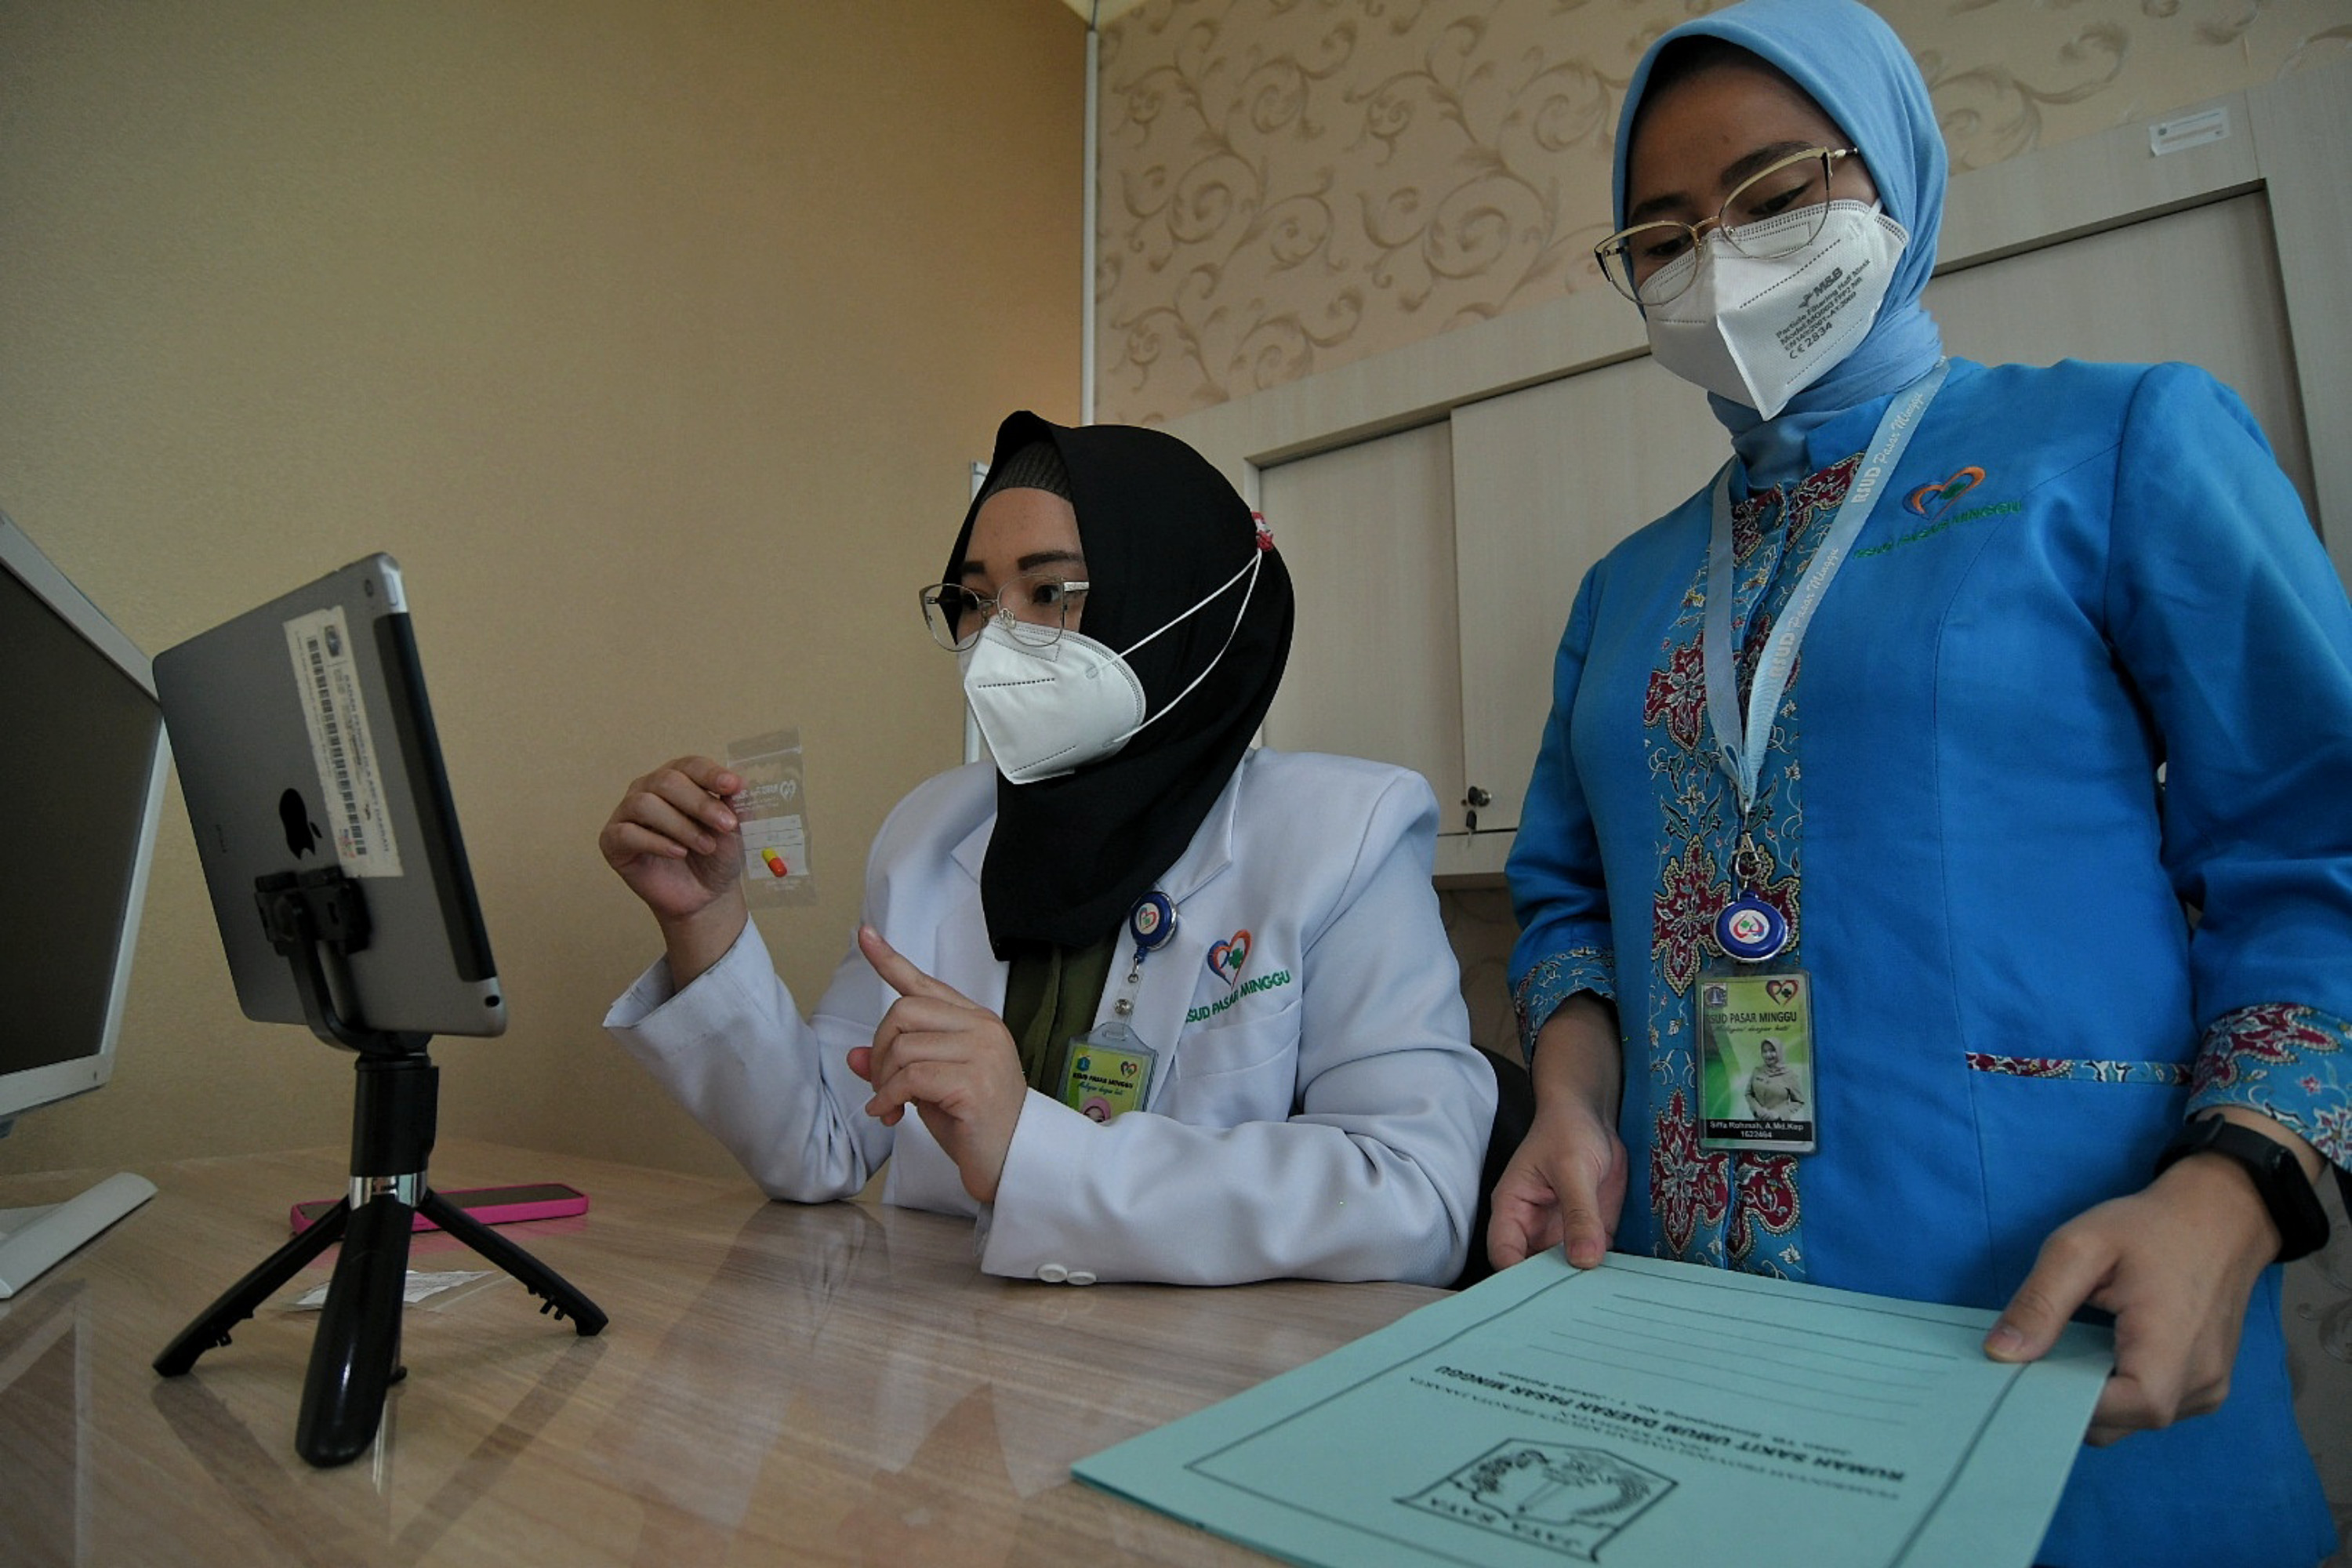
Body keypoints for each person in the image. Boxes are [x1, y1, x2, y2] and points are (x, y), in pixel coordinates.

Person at [1486, 0, 2350, 1562]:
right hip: (1695, 1354)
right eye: (1664, 236)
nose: (1721, 261)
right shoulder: (1625, 590)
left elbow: (2323, 839)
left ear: (1894, 178)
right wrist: (1569, 1100)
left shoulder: (2117, 445)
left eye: (1775, 195)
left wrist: (2238, 1188)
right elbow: (1564, 902)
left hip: (2061, 1332)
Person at [600, 411, 1495, 1288]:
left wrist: (1025, 1144)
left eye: (1051, 591)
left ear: (1175, 598)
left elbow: (1418, 1198)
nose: (997, 639)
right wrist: (707, 918)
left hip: (1207, 1391)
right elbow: (823, 1144)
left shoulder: (1343, 833)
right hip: (954, 1373)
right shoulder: (930, 832)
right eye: (975, 600)